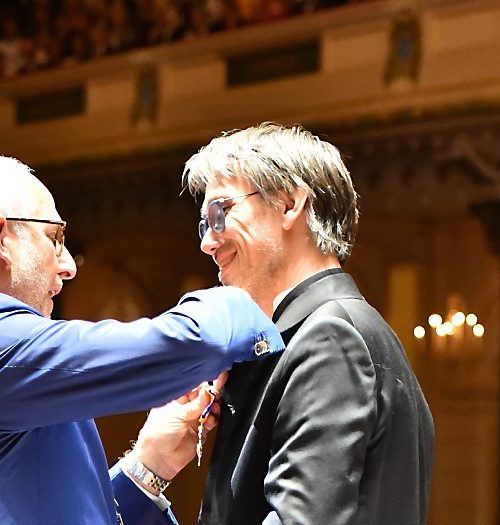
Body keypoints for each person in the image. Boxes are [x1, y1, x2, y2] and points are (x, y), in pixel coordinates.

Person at [0, 148, 285, 524]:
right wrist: (259, 289)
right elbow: (183, 344)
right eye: (56, 238)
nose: (67, 266)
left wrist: (149, 466)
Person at [180, 123, 434, 524]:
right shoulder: (313, 332)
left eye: (220, 213)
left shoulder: (330, 338)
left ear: (288, 204)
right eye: (204, 224)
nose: (207, 243)